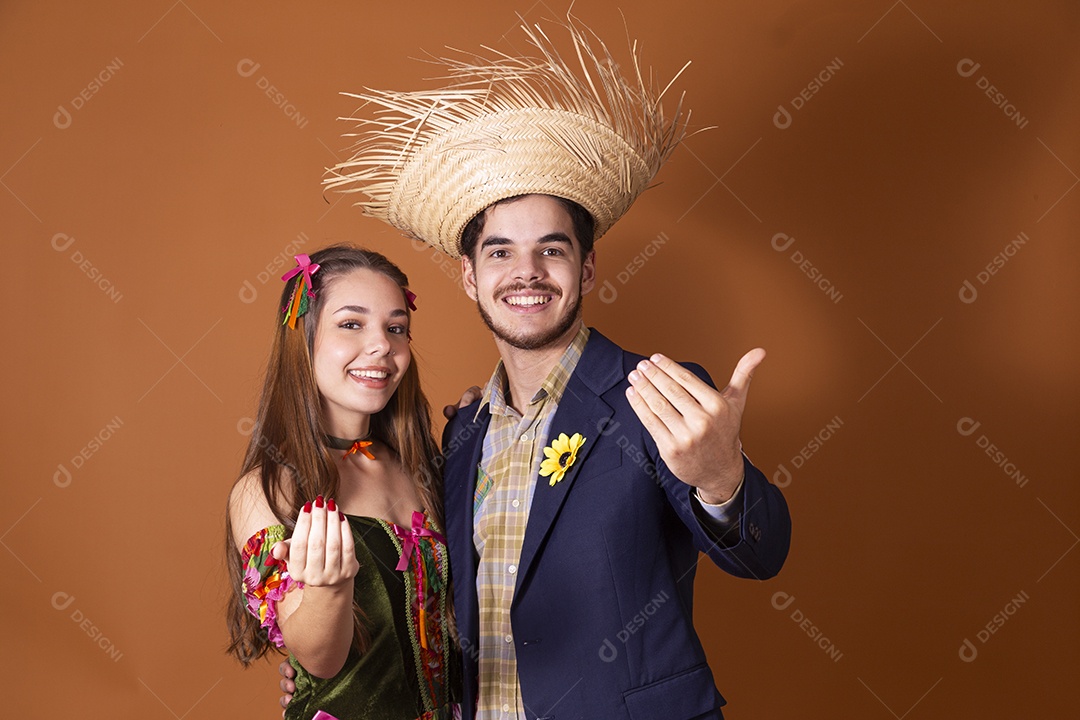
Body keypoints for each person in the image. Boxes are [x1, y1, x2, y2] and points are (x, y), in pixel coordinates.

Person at [291, 14, 792, 719]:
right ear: (469, 277)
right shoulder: (461, 435)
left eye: (551, 250)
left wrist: (722, 477)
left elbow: (761, 555)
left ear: (586, 268)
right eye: (500, 252)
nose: (525, 273)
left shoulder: (658, 396)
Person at [225, 245, 460, 720]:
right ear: (304, 337)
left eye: (396, 328)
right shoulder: (269, 489)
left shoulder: (425, 466)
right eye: (351, 324)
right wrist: (329, 590)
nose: (381, 345)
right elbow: (318, 659)